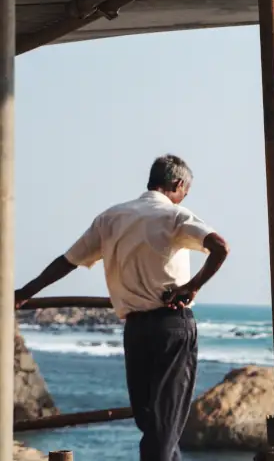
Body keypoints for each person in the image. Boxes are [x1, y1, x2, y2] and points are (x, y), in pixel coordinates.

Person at [14, 154, 229, 461]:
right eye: (186, 190)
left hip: (136, 328)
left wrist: (25, 292)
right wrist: (192, 286)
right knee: (164, 423)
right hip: (172, 325)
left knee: (150, 420)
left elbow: (68, 261)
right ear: (178, 184)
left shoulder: (111, 218)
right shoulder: (174, 215)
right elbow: (220, 247)